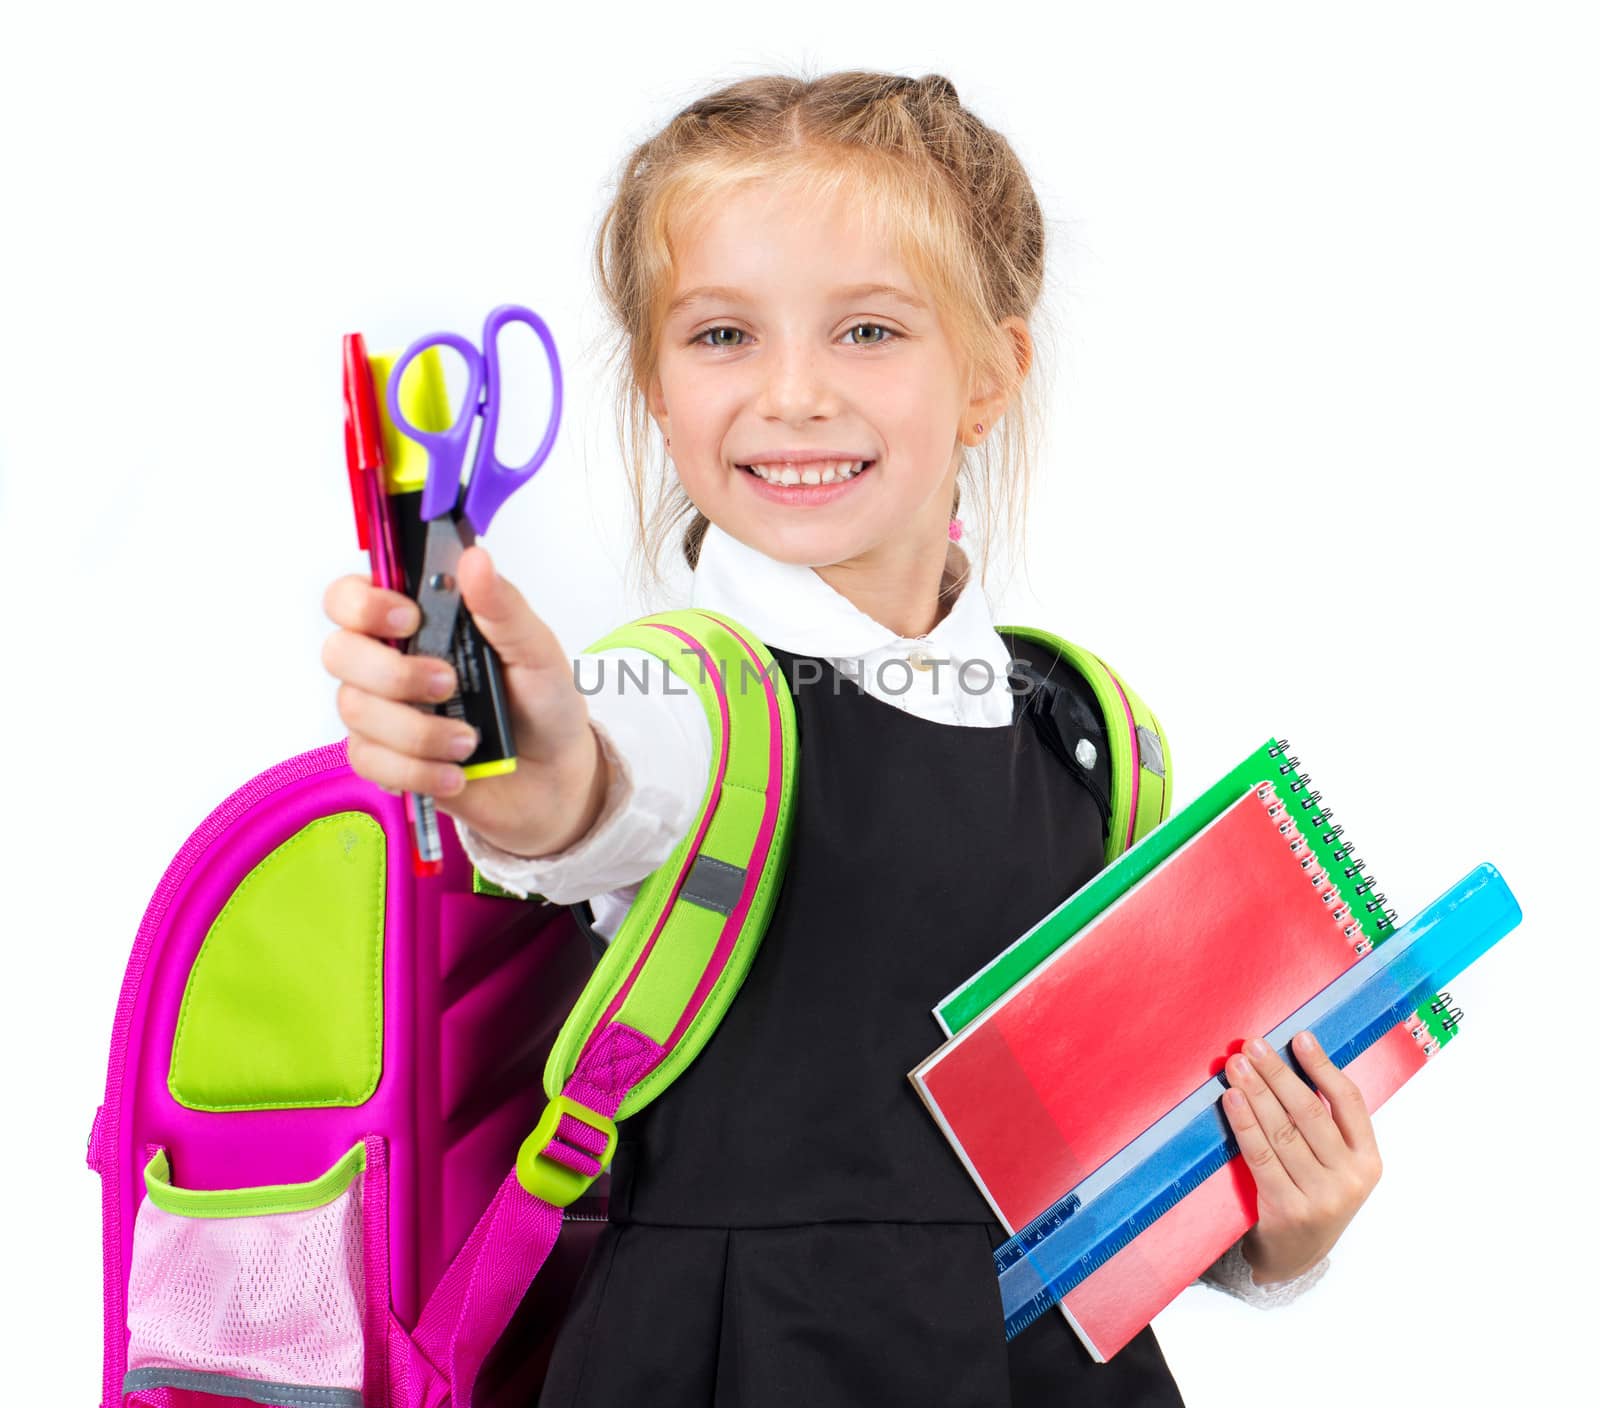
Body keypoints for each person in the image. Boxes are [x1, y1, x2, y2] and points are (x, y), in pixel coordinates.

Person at [322, 70, 1384, 1406]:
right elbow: (584, 795)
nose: (793, 395)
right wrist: (529, 772)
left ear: (994, 374)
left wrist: (1278, 1235)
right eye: (721, 337)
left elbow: (1126, 1164)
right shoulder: (678, 704)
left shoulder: (1094, 740)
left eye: (868, 330)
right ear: (654, 385)